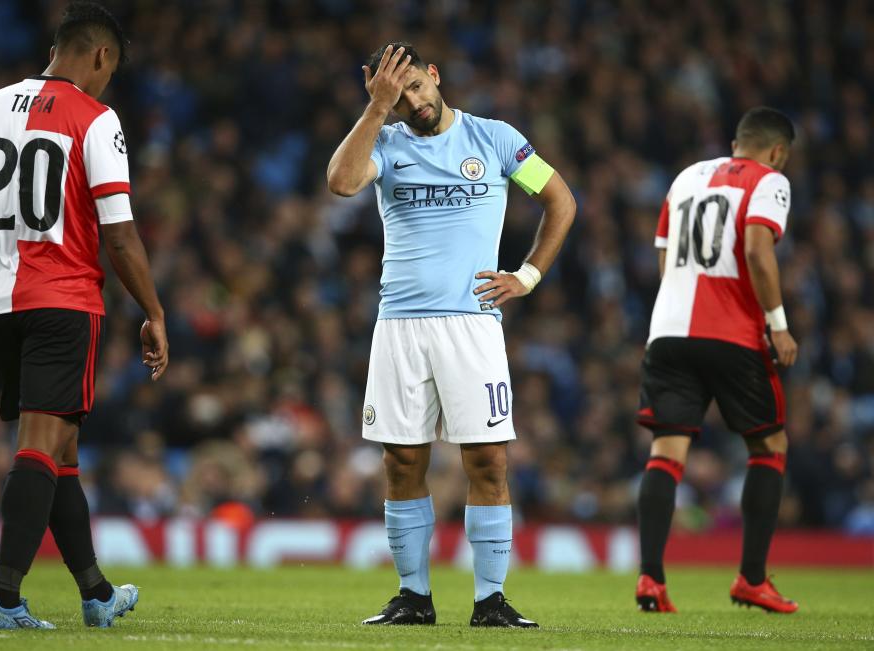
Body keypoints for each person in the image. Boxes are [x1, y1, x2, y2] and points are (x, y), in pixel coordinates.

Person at [0, 1, 168, 629]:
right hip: (62, 301)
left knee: (60, 451)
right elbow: (120, 233)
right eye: (110, 69)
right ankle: (3, 597)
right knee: (39, 447)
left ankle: (95, 592)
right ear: (101, 56)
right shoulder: (96, 118)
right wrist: (154, 310)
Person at [327, 42, 576, 627]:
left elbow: (560, 200)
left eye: (415, 85)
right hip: (400, 325)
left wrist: (527, 276)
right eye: (396, 93)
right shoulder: (384, 144)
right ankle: (413, 598)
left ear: (435, 75)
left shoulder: (495, 139)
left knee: (488, 460)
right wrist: (375, 110)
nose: (411, 101)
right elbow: (340, 183)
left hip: (472, 324)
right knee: (401, 461)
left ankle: (490, 601)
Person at [635, 107, 799, 614]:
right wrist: (778, 322)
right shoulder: (770, 181)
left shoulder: (687, 176)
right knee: (769, 444)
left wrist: (676, 304)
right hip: (731, 332)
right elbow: (755, 249)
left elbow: (663, 254)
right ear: (777, 152)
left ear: (735, 142)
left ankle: (651, 580)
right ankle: (751, 579)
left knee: (667, 451)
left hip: (668, 330)